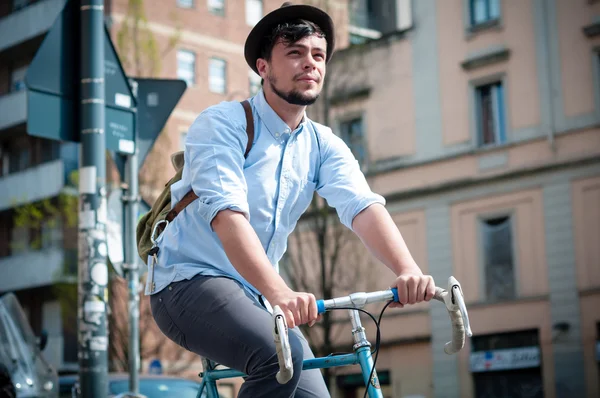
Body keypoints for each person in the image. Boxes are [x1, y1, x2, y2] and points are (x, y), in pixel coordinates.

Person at [147, 2, 435, 397]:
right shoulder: (223, 124)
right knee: (277, 359)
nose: (310, 64)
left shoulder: (323, 144)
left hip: (255, 295)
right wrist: (279, 293)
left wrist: (407, 269)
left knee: (311, 392)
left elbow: (362, 206)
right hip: (188, 283)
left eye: (318, 55)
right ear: (263, 67)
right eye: (295, 53)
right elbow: (227, 217)